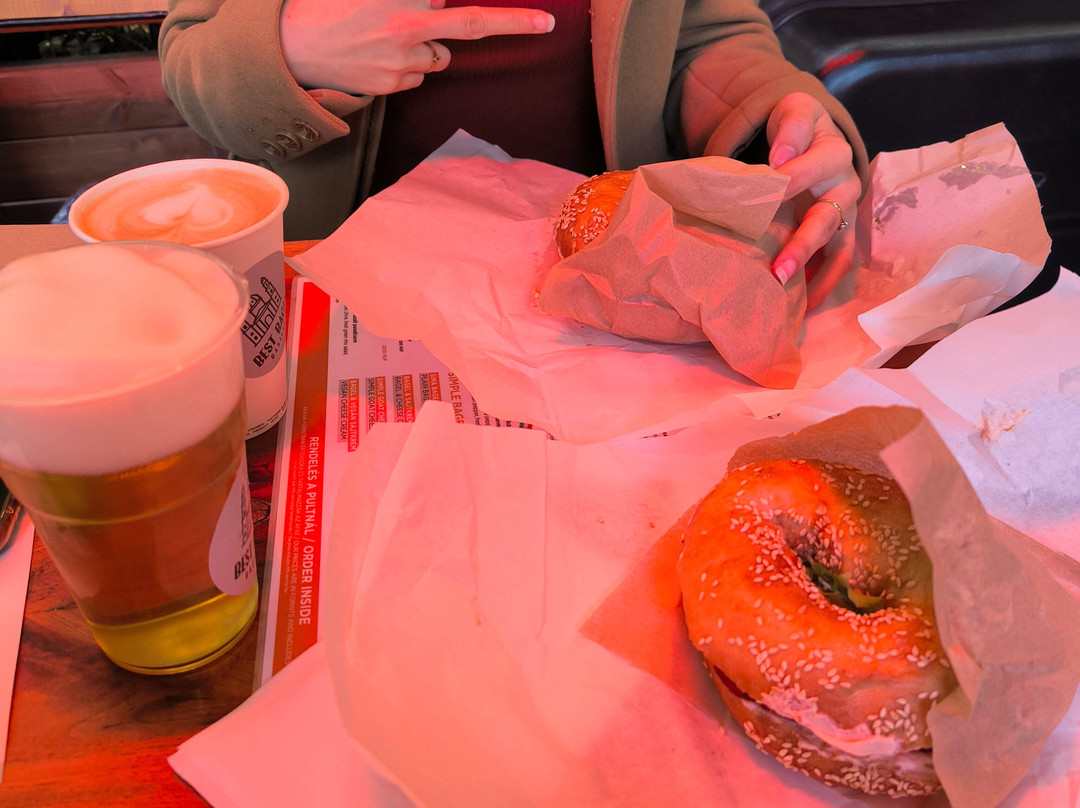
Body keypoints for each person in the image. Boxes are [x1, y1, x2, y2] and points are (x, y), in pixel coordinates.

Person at [160, 0, 868, 307]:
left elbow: (703, 35)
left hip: (611, 283)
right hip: (343, 285)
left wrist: (772, 111)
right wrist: (287, 48)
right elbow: (190, 57)